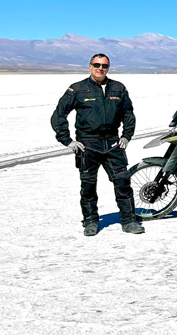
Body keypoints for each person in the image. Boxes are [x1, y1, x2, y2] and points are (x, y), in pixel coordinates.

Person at [50, 54, 143, 236]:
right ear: (90, 66)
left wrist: (127, 135)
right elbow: (59, 115)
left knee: (123, 182)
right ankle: (90, 221)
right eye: (97, 65)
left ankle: (129, 221)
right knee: (88, 186)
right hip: (87, 145)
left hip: (113, 144)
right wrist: (67, 140)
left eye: (104, 66)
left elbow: (128, 113)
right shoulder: (77, 89)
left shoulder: (118, 88)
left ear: (108, 68)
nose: (100, 68)